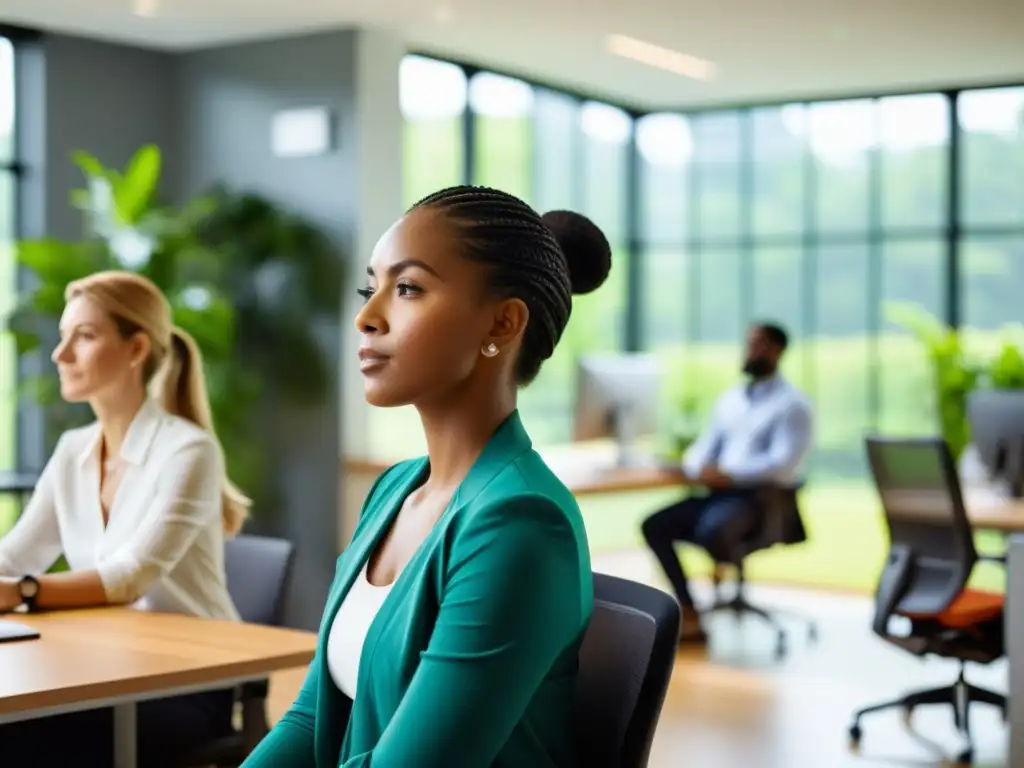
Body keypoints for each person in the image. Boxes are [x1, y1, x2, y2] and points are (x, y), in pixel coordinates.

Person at [241, 187, 610, 768]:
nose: (366, 316)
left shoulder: (518, 524)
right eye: (372, 288)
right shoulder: (393, 490)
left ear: (504, 321)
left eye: (407, 288)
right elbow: (313, 716)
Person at [0, 270, 248, 766]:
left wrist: (23, 591)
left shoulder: (188, 450)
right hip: (105, 664)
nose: (60, 354)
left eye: (84, 336)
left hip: (190, 680)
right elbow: (14, 554)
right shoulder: (74, 450)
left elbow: (131, 576)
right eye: (62, 336)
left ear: (136, 350)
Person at [641, 322, 814, 643]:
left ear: (777, 350)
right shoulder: (732, 399)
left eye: (758, 344)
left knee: (712, 528)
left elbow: (782, 463)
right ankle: (690, 610)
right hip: (717, 492)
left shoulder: (793, 405)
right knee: (655, 524)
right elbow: (704, 446)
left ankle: (721, 578)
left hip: (759, 500)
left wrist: (730, 473)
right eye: (748, 343)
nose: (750, 351)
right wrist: (697, 466)